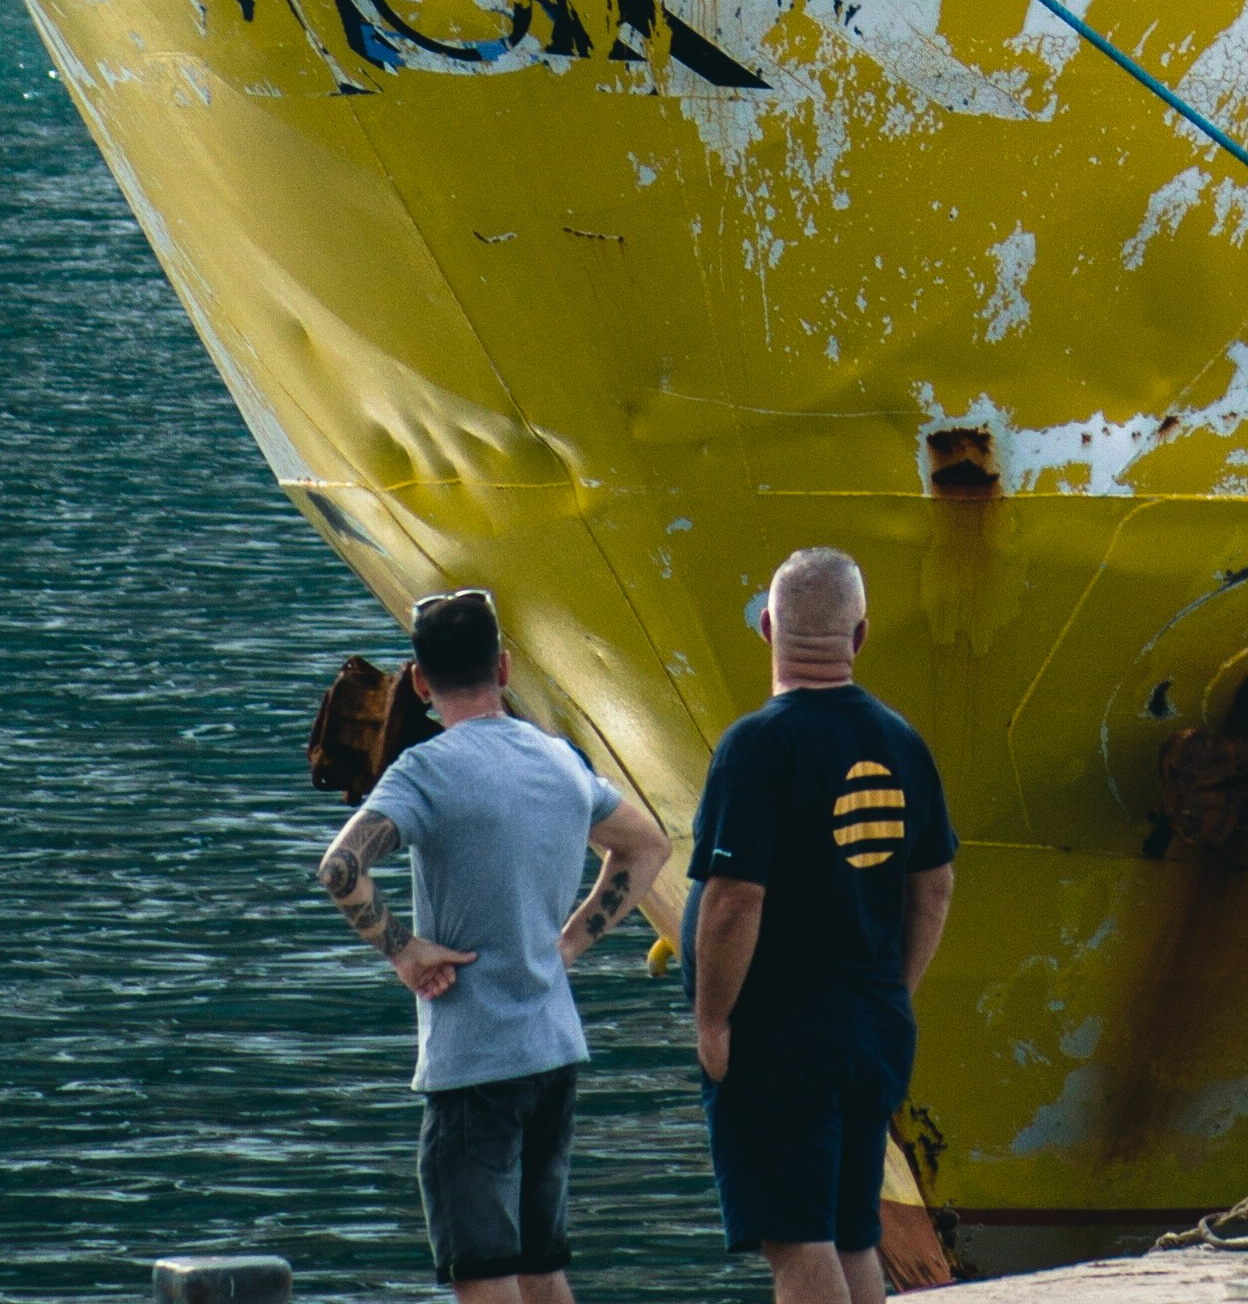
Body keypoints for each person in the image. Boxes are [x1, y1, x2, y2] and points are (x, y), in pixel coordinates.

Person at [316, 582, 673, 1304]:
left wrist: (405, 951)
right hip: (553, 1049)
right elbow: (647, 846)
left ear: (418, 683)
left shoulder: (424, 772)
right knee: (543, 1266)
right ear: (504, 668)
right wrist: (567, 946)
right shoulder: (562, 763)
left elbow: (341, 868)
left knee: (483, 1274)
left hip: (473, 1062)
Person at [689, 547, 960, 1304]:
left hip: (784, 1035)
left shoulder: (758, 745)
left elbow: (735, 897)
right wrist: (889, 991)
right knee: (850, 1233)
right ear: (861, 635)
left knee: (798, 1242)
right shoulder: (904, 743)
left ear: (768, 628)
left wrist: (712, 1018)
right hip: (871, 1027)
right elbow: (934, 886)